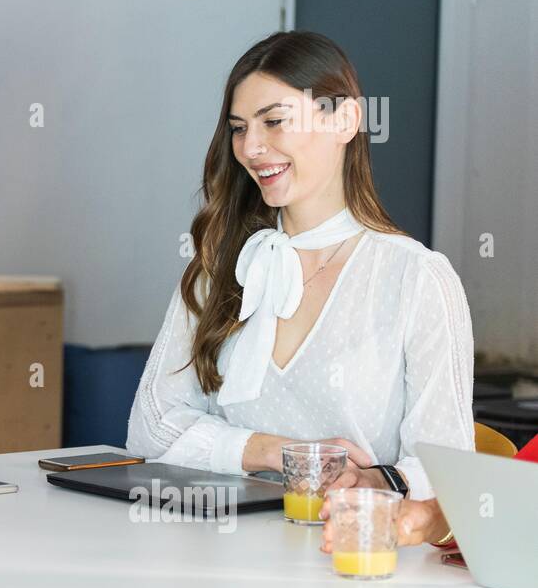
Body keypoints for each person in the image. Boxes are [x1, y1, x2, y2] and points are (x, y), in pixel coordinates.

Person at [126, 31, 472, 548]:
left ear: (346, 121)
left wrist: (380, 480)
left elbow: (447, 469)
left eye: (274, 121)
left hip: (356, 568)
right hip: (221, 565)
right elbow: (150, 428)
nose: (250, 147)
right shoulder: (221, 267)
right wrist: (272, 451)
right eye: (239, 128)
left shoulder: (415, 277)